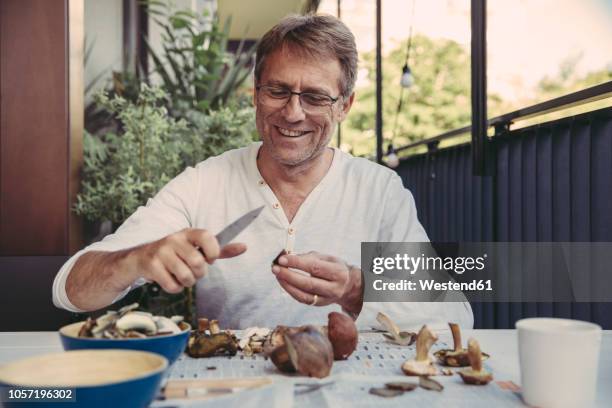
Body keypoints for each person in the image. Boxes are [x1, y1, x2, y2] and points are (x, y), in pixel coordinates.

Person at [53, 14, 473, 330]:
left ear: (344, 106)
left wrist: (357, 288)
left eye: (314, 97)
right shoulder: (205, 183)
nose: (293, 112)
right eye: (278, 90)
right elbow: (69, 289)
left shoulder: (377, 190)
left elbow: (455, 314)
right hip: (231, 386)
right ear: (255, 94)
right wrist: (139, 258)